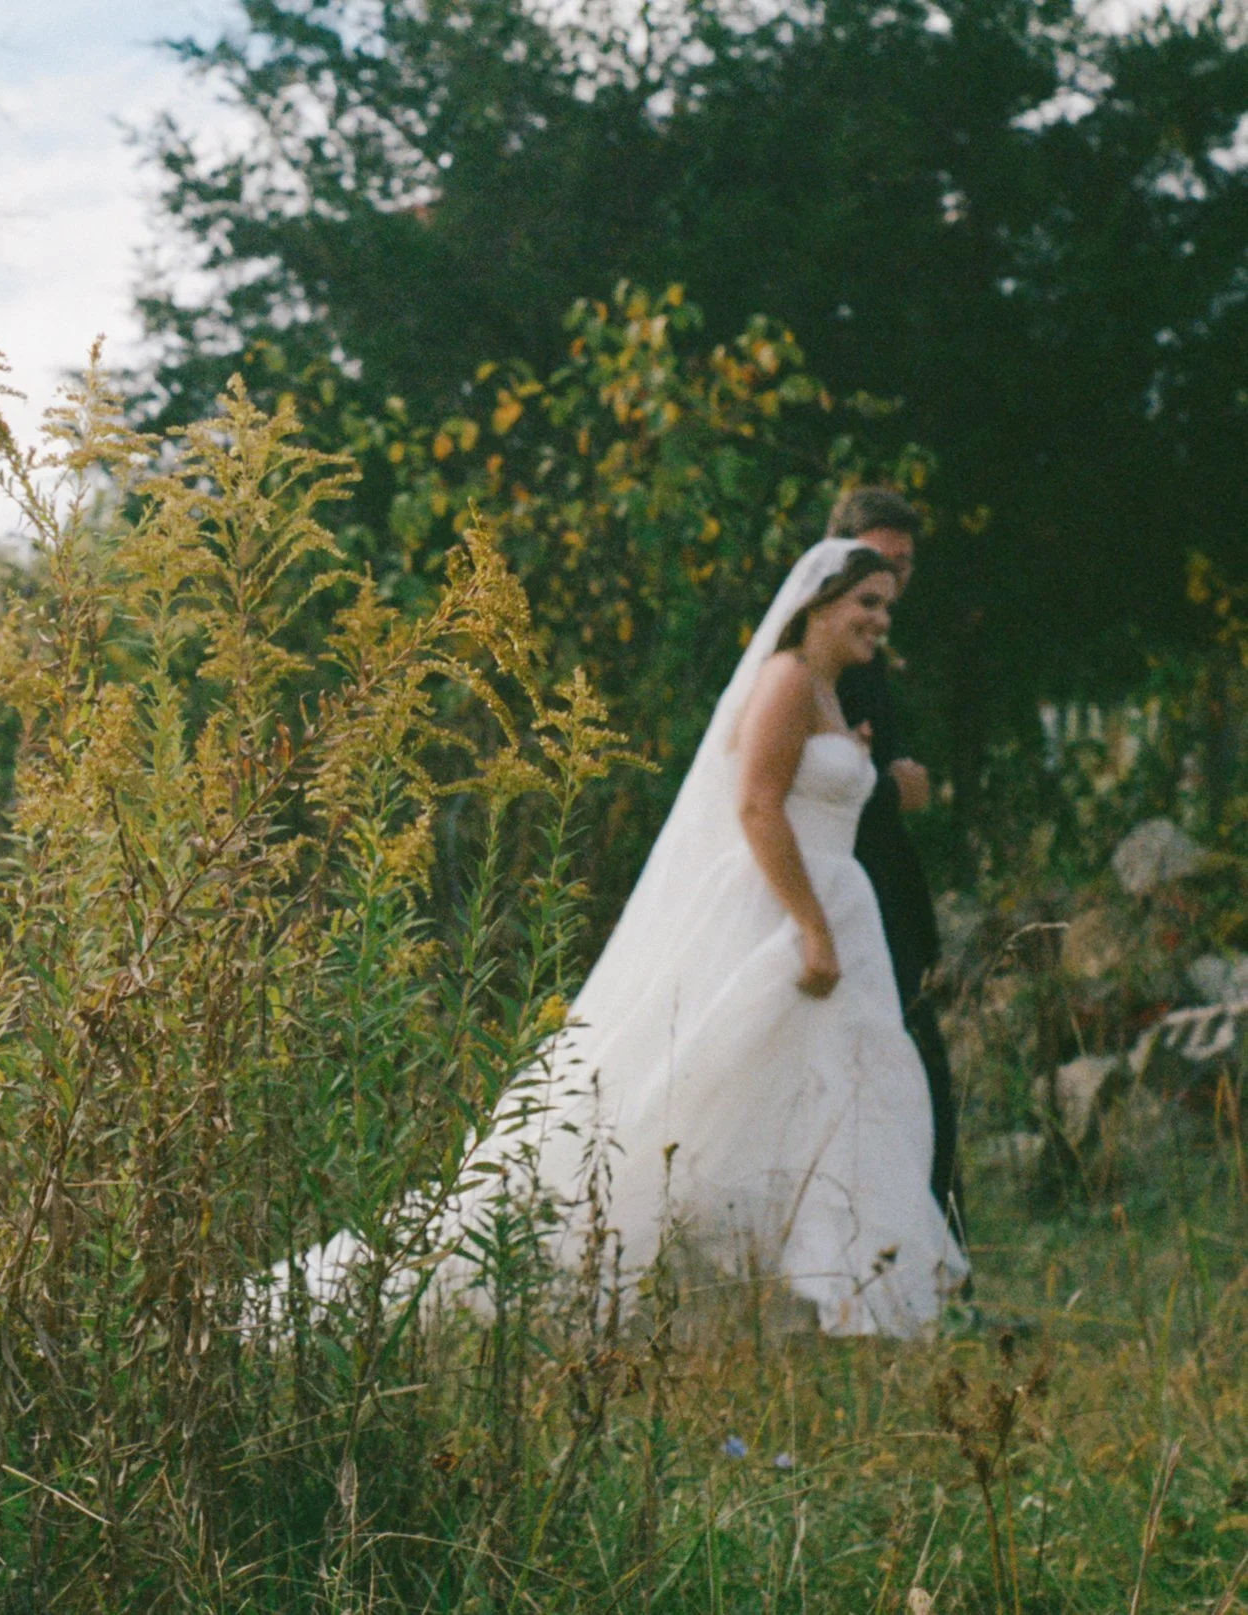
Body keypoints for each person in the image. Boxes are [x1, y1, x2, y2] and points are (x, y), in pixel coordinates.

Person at [267, 541, 970, 1338]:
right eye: (865, 603)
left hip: (836, 902)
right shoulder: (785, 681)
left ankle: (839, 1293)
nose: (880, 619)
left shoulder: (829, 692)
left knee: (826, 1090)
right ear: (817, 604)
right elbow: (756, 809)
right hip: (787, 910)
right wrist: (810, 926)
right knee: (716, 1086)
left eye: (885, 605)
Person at [825, 487, 965, 1243]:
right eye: (878, 565)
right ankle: (935, 1251)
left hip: (879, 889)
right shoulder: (809, 665)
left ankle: (934, 1247)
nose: (892, 587)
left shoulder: (867, 653)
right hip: (839, 896)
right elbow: (775, 789)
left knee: (913, 1070)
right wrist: (887, 786)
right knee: (911, 1071)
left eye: (904, 567)